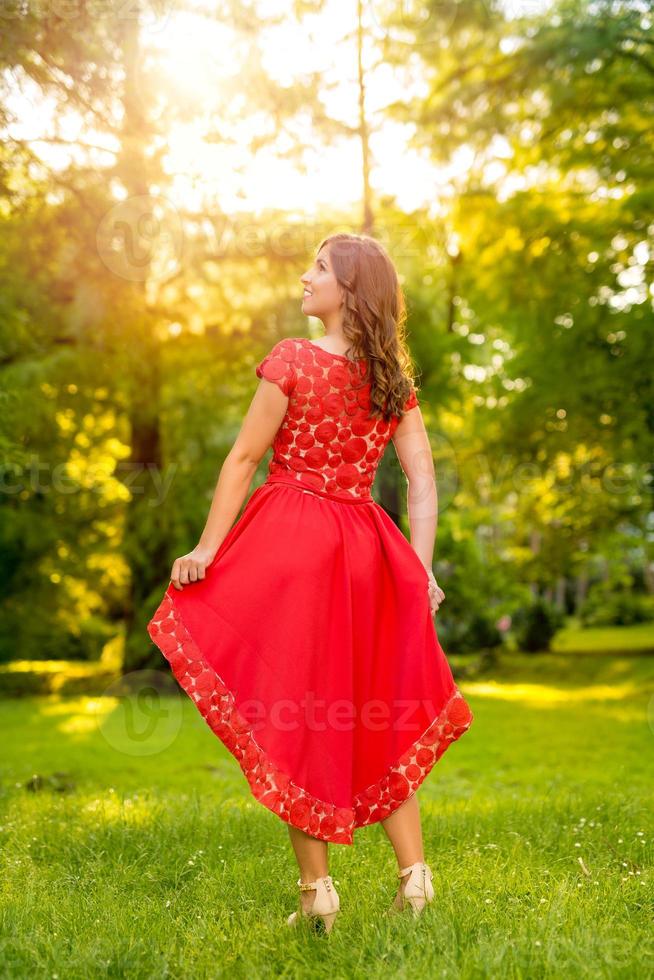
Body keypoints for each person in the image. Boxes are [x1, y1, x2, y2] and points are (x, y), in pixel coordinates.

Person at [147, 232, 474, 935]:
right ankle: (415, 883)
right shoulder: (393, 380)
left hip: (292, 545)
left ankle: (317, 894)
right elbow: (422, 478)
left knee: (296, 714)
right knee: (374, 711)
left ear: (348, 289)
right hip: (367, 550)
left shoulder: (292, 361)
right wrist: (420, 567)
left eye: (318, 269)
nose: (304, 277)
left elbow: (242, 459)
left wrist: (208, 547)